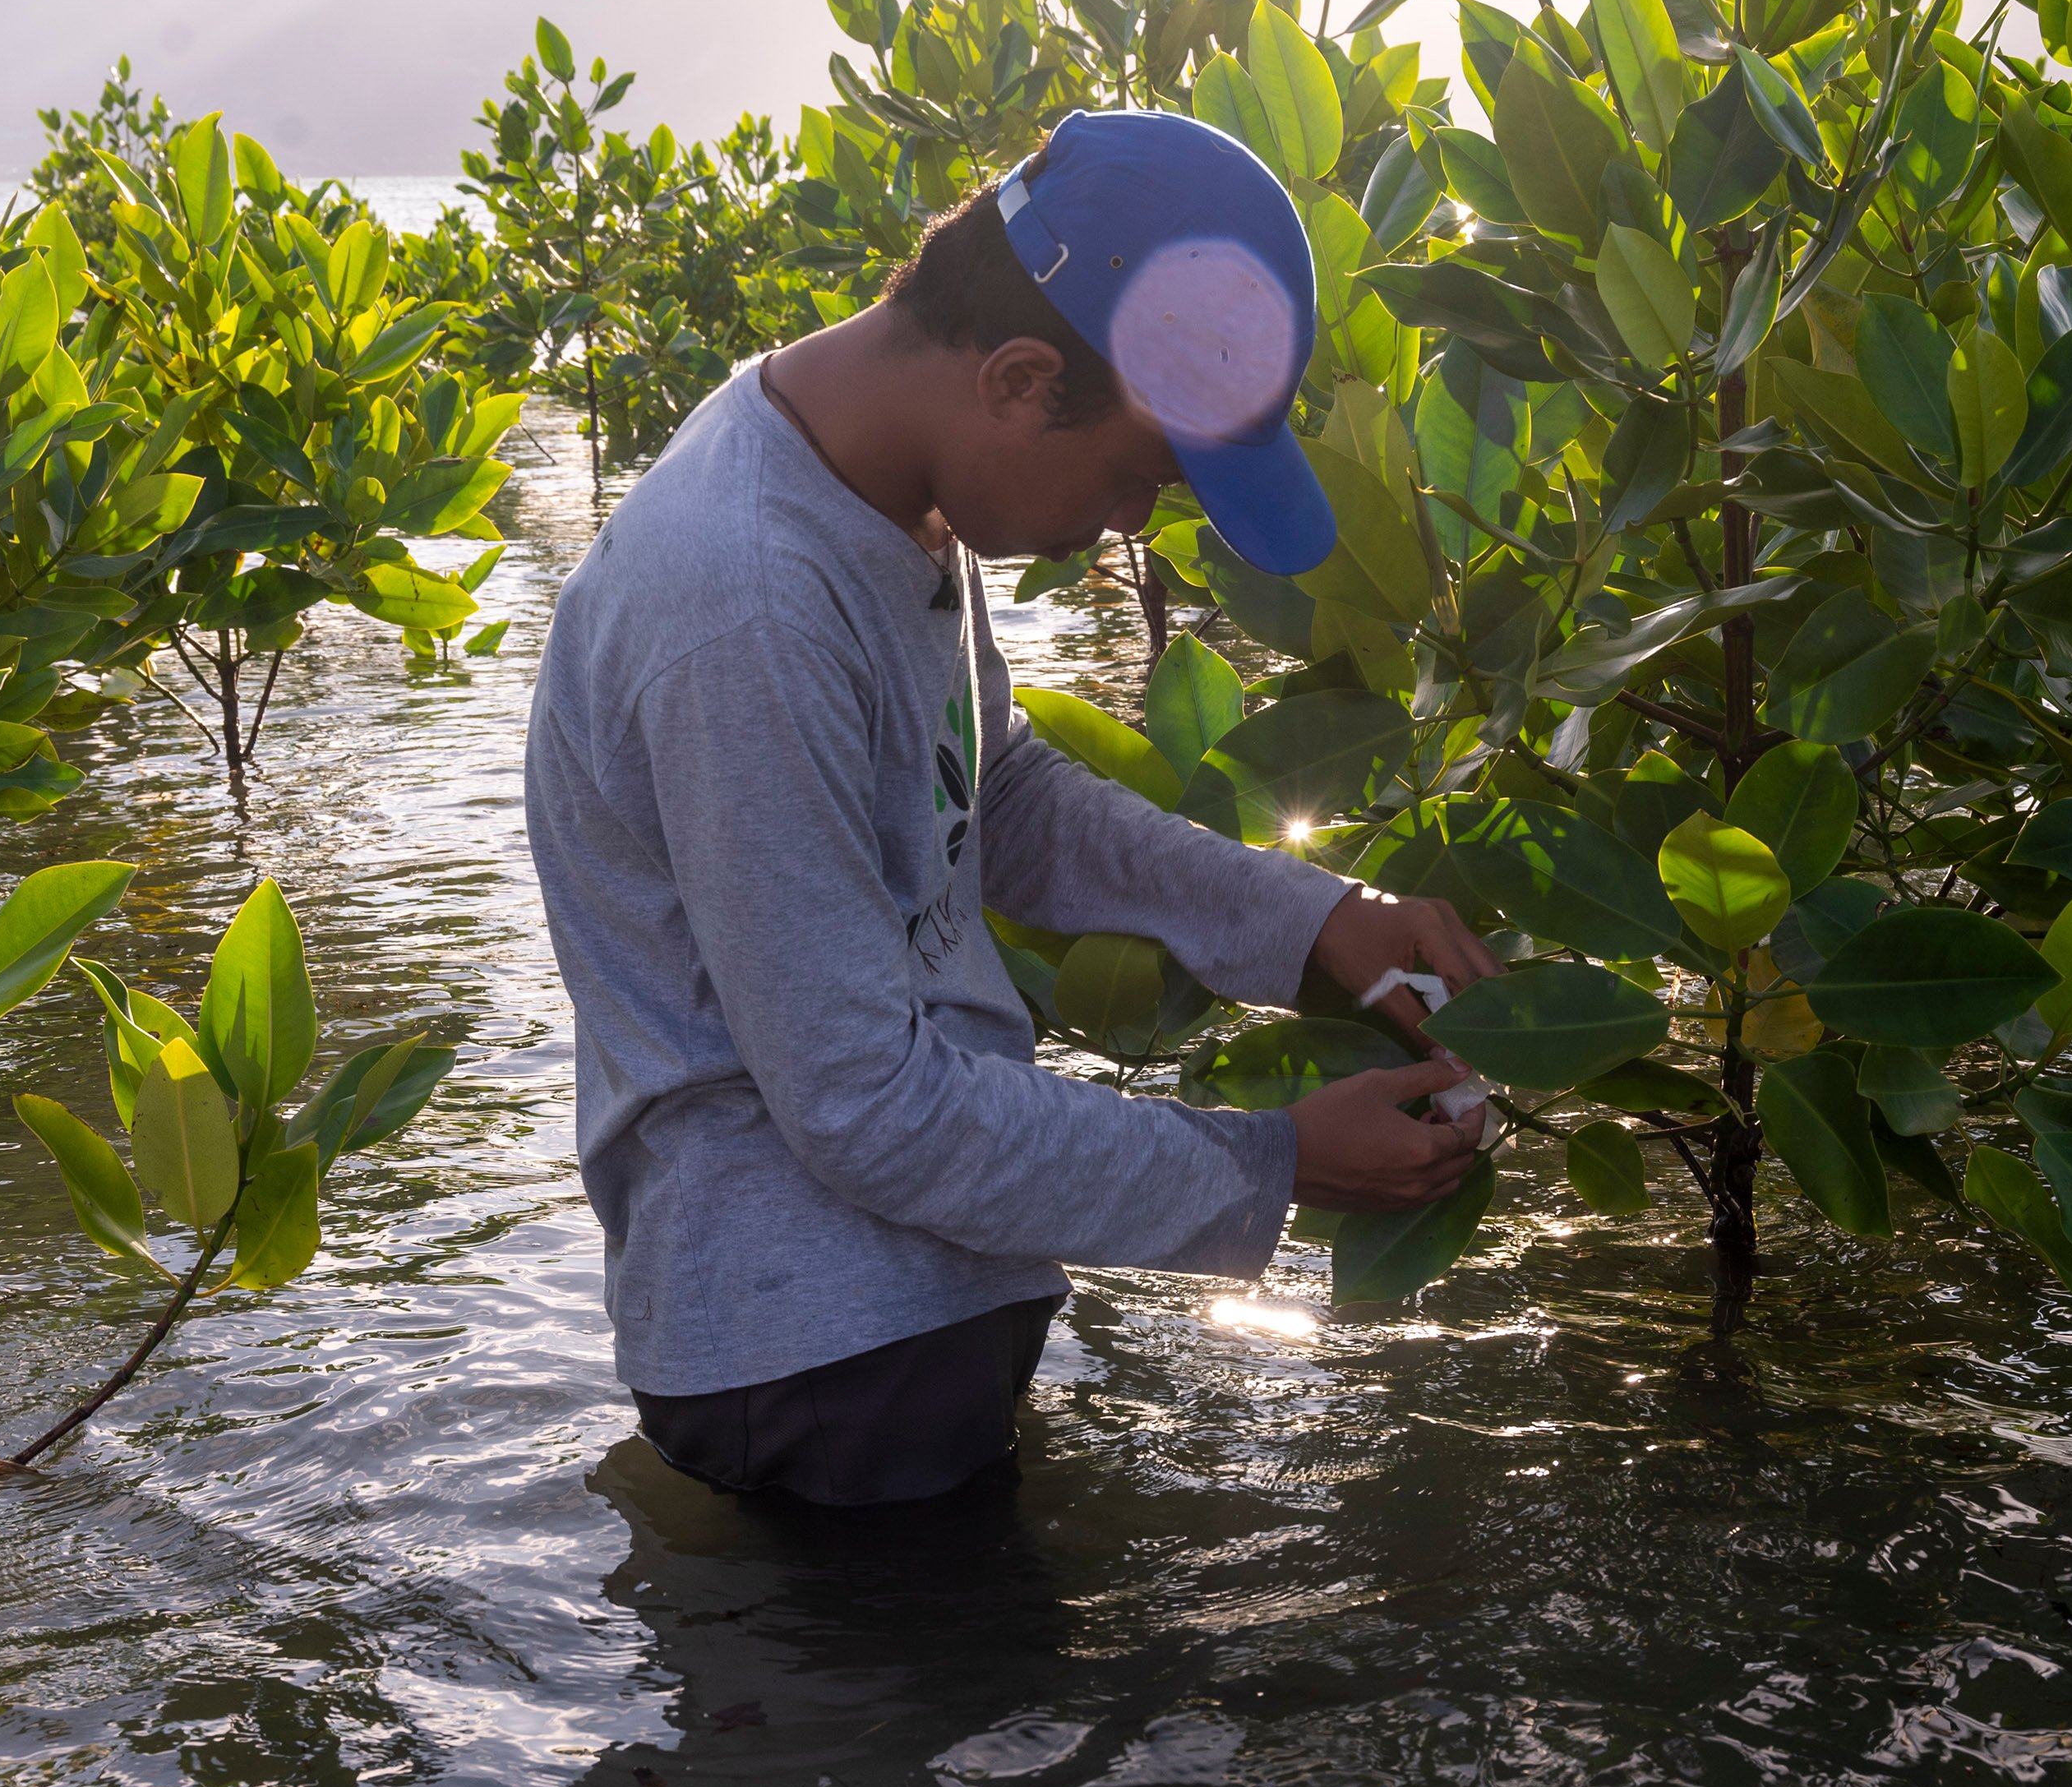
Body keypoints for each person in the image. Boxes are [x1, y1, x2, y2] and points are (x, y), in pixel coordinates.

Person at [524, 109, 1499, 1510]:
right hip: (817, 1373)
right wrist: (1275, 1162)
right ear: (1024, 378)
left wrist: (1317, 921)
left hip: (902, 1320)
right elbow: (863, 1109)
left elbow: (1002, 795)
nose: (1124, 526)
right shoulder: (741, 600)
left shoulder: (886, 492)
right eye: (1134, 479)